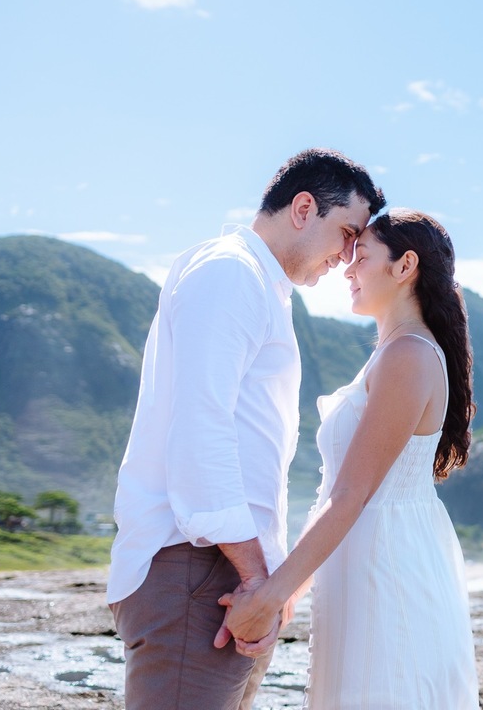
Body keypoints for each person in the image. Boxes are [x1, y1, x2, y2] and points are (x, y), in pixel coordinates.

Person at [106, 148, 385, 710]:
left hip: (219, 570)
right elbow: (200, 430)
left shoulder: (258, 284)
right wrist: (259, 581)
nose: (348, 255)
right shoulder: (231, 272)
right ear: (304, 208)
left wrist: (267, 583)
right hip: (199, 568)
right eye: (347, 232)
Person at [219, 208, 479, 708]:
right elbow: (339, 494)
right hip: (370, 560)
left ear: (405, 267)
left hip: (388, 571)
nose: (347, 268)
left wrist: (273, 596)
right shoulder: (396, 352)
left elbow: (350, 495)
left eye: (361, 257)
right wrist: (288, 593)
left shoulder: (409, 355)